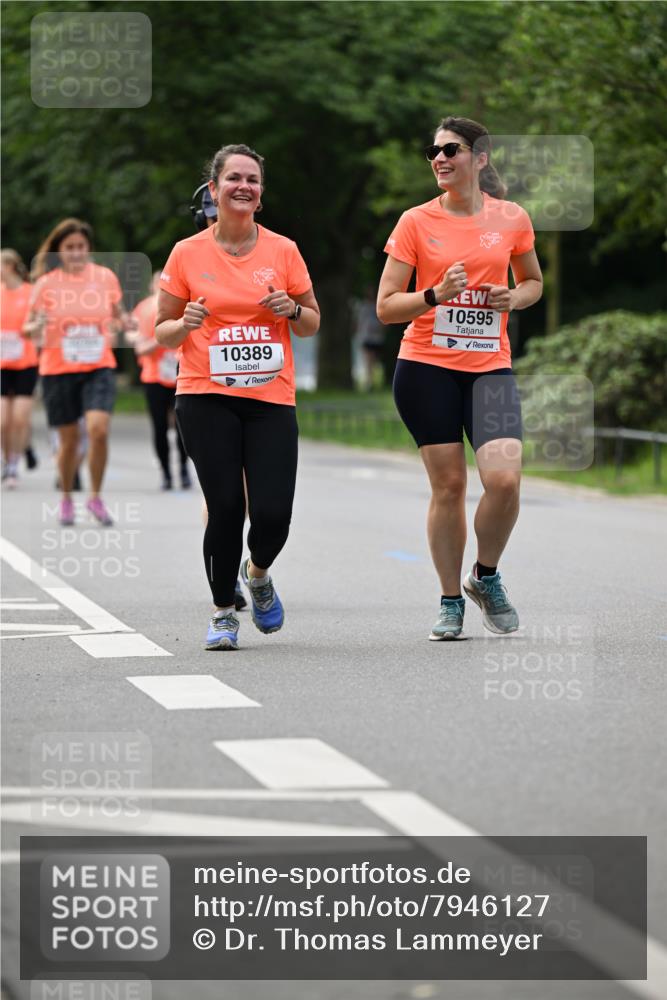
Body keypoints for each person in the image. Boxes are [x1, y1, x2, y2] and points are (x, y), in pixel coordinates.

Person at [377, 116, 543, 640]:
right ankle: (450, 600)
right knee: (449, 485)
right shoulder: (414, 222)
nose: (440, 159)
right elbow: (385, 307)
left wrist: (513, 296)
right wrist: (433, 295)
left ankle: (485, 576)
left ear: (481, 158)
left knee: (506, 480)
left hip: (489, 366)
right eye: (434, 151)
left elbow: (534, 282)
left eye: (451, 150)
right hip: (425, 366)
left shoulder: (512, 218)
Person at [156, 143, 320, 650]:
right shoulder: (187, 252)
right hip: (205, 394)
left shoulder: (283, 251)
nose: (243, 186)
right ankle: (223, 612)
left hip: (270, 397)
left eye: (252, 179)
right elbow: (162, 331)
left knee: (273, 515)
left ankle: (259, 572)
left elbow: (312, 323)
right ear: (214, 189)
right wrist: (182, 322)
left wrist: (292, 309)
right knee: (226, 505)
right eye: (233, 179)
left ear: (261, 195)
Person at [26, 218, 130, 526]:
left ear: (89, 249)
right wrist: (39, 325)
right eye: (69, 247)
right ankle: (67, 497)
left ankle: (95, 497)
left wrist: (124, 324)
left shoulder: (105, 277)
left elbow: (119, 315)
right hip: (58, 369)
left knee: (98, 430)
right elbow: (28, 327)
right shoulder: (46, 283)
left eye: (80, 247)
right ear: (59, 251)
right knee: (69, 440)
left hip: (98, 366)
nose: (75, 253)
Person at [129, 271, 191, 490]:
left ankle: (184, 469)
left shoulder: (184, 305)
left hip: (181, 373)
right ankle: (165, 472)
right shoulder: (143, 309)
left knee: (184, 425)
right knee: (160, 427)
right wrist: (162, 337)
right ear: (152, 286)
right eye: (158, 283)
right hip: (154, 377)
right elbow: (139, 347)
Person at [1, 249, 38, 489]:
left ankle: (14, 463)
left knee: (20, 418)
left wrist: (32, 329)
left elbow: (38, 322)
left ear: (10, 266)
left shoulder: (30, 293)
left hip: (26, 363)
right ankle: (7, 459)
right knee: (3, 421)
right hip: (3, 364)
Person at [354, 284, 386, 390]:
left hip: (377, 337)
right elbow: (359, 322)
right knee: (368, 360)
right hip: (366, 337)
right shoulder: (363, 306)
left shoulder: (378, 305)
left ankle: (372, 381)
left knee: (375, 361)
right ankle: (369, 382)